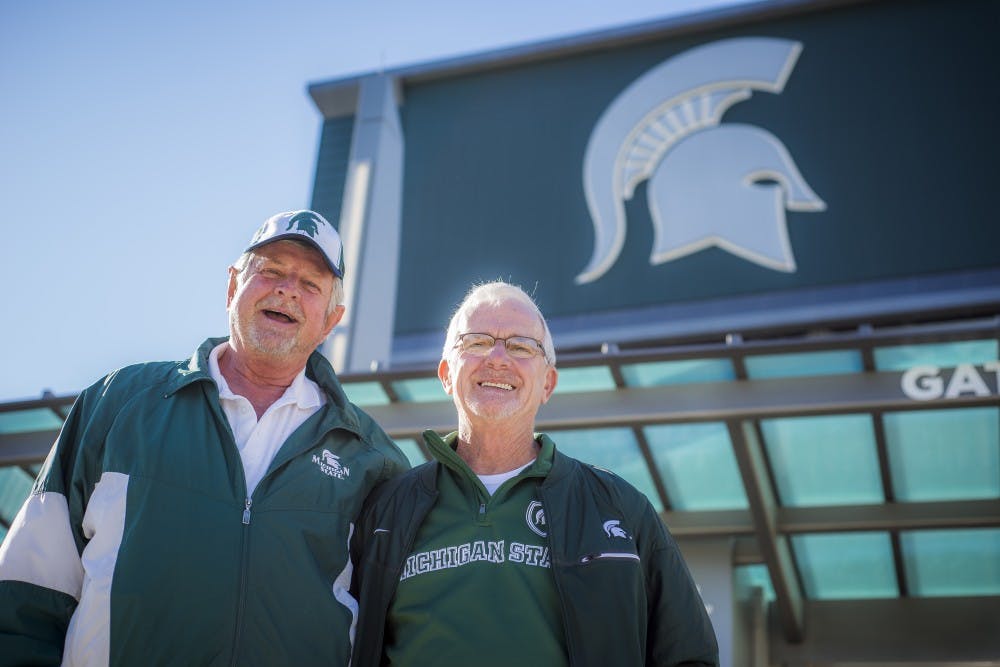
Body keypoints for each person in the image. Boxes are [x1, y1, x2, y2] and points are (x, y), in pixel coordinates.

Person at [0, 210, 409, 666]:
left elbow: (394, 627)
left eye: (310, 284)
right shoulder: (117, 404)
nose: (286, 290)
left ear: (331, 319)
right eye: (270, 271)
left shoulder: (371, 458)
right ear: (233, 286)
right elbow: (26, 587)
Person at [351, 281, 718, 666]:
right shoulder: (387, 510)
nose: (497, 357)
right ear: (446, 374)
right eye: (476, 342)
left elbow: (689, 655)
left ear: (548, 383)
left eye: (521, 346)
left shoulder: (620, 510)